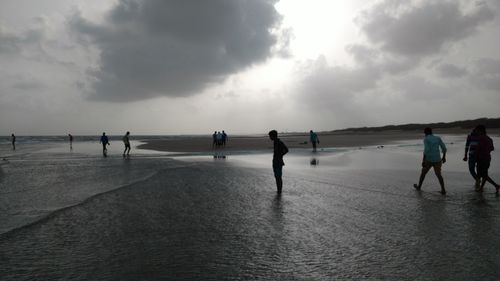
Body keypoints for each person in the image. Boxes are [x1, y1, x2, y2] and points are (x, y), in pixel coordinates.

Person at [413, 127, 447, 195]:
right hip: (437, 159)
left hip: (429, 159)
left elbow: (426, 150)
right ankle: (443, 190)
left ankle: (419, 187)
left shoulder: (426, 139)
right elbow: (444, 148)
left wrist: (423, 160)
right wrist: (444, 157)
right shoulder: (437, 138)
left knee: (423, 173)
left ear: (425, 133)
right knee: (439, 175)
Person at [475, 125, 500, 194]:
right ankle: (481, 188)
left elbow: (478, 149)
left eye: (477, 130)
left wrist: (476, 158)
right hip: (487, 158)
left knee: (483, 175)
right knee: (482, 174)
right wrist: (486, 151)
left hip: (481, 159)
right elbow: (492, 148)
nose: (476, 132)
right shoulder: (489, 139)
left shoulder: (480, 138)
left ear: (480, 131)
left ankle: (496, 185)